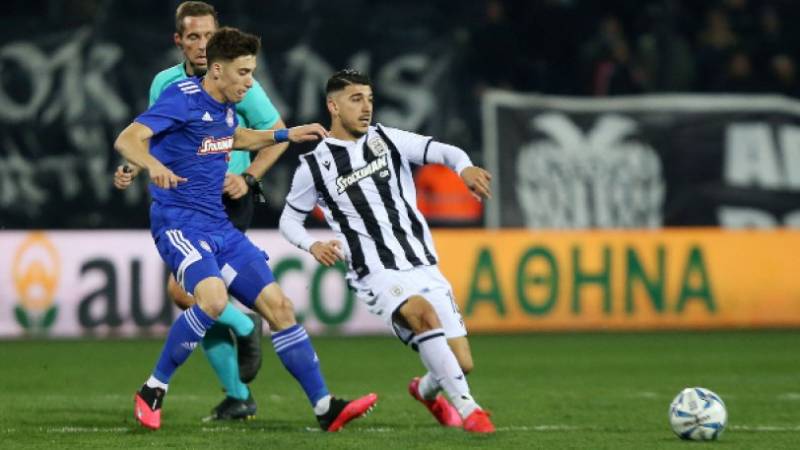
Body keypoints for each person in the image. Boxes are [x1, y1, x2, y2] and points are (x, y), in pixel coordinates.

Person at [114, 28, 377, 431]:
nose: (250, 81)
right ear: (218, 70)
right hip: (179, 223)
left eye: (251, 71)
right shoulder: (181, 97)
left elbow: (234, 137)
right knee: (213, 299)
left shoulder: (225, 107)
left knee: (280, 308)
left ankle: (326, 408)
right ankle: (153, 390)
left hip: (220, 226)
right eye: (243, 72)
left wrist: (286, 134)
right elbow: (128, 139)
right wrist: (153, 166)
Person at [278, 69, 495, 433]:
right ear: (333, 106)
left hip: (422, 262)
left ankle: (424, 390)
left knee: (461, 363)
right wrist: (311, 244)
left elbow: (443, 151)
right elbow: (289, 220)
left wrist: (465, 167)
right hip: (375, 270)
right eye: (356, 99)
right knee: (422, 314)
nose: (366, 107)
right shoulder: (314, 166)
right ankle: (470, 409)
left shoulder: (388, 139)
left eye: (369, 99)